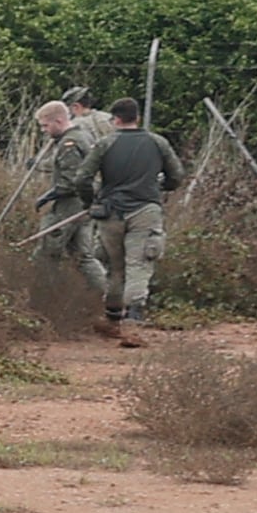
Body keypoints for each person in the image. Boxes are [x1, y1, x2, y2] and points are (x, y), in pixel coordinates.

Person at [89, 99, 185, 347]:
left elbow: (81, 177)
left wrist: (93, 200)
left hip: (110, 212)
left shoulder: (105, 143)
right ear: (137, 118)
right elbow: (177, 176)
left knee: (114, 267)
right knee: (139, 266)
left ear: (116, 120)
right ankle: (132, 325)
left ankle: (112, 320)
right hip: (145, 210)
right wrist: (159, 186)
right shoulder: (157, 142)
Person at [34, 99, 114, 329]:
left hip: (69, 206)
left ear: (59, 121)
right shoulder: (84, 136)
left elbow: (71, 182)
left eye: (45, 126)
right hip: (84, 205)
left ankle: (44, 306)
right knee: (82, 255)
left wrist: (48, 196)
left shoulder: (70, 142)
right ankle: (107, 300)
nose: (44, 131)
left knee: (47, 254)